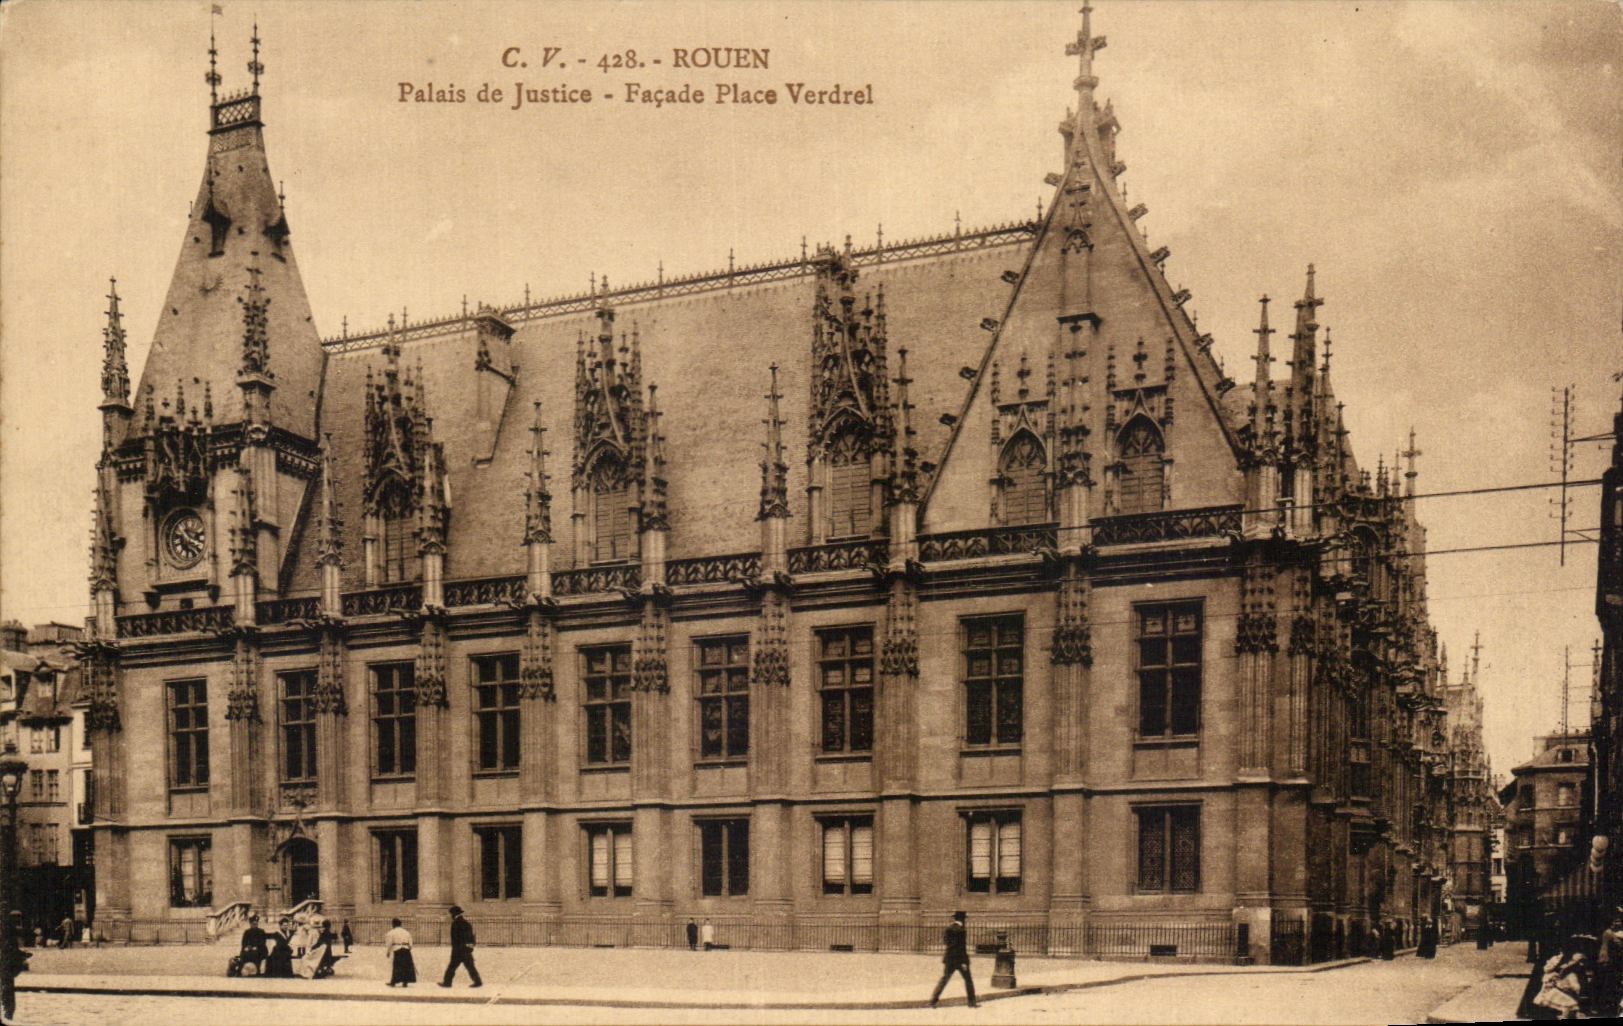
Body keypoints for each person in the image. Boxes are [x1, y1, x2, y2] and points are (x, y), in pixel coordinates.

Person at [1531, 935, 1590, 1020]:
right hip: (1559, 983)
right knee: (1564, 1001)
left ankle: (1567, 1013)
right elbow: (1551, 970)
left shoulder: (1574, 960)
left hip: (1567, 982)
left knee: (1570, 1000)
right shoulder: (1558, 959)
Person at [929, 910, 978, 1009]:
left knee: (944, 979)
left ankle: (933, 1001)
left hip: (949, 959)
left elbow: (946, 942)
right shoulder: (961, 930)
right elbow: (961, 947)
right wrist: (963, 962)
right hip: (960, 960)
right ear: (963, 919)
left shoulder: (949, 928)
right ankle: (972, 1002)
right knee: (968, 980)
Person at [439, 905, 482, 988]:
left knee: (452, 967)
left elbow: (455, 939)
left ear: (453, 914)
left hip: (458, 950)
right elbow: (470, 936)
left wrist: (455, 949)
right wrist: (470, 947)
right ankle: (478, 981)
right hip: (466, 950)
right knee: (470, 966)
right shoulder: (466, 923)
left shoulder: (455, 923)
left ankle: (447, 983)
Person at [1596, 913, 1623, 1019]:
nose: (1615, 924)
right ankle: (1607, 1007)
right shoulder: (1609, 932)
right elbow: (1618, 943)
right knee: (1608, 983)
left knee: (1606, 983)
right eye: (1614, 922)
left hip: (1604, 959)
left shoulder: (1606, 932)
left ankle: (1603, 1007)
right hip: (1607, 960)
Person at [384, 918, 417, 988]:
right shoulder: (406, 932)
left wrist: (388, 952)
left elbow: (389, 943)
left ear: (393, 924)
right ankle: (405, 982)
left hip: (397, 949)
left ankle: (393, 982)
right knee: (406, 966)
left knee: (397, 966)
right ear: (400, 924)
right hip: (406, 950)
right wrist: (409, 948)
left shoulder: (391, 932)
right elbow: (411, 943)